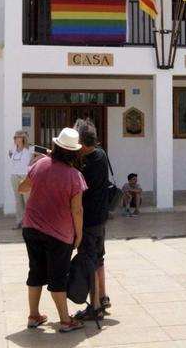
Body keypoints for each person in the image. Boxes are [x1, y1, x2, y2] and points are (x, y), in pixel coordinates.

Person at [17, 127, 86, 333]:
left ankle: (33, 315)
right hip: (58, 232)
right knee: (58, 276)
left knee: (36, 271)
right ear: (74, 152)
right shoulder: (75, 175)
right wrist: (79, 235)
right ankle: (65, 320)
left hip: (31, 227)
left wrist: (41, 168)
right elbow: (77, 210)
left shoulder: (40, 164)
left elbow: (22, 187)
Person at [72, 118, 112, 321]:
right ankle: (103, 297)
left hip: (88, 221)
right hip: (101, 217)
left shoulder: (84, 165)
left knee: (89, 261)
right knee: (98, 258)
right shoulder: (101, 154)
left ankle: (95, 306)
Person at [8, 130, 43, 229]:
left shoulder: (30, 148)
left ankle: (29, 223)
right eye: (14, 137)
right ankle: (19, 222)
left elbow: (46, 153)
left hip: (25, 176)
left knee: (27, 200)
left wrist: (33, 160)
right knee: (18, 200)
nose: (15, 139)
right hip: (14, 176)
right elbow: (10, 155)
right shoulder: (13, 149)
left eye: (17, 137)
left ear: (22, 138)